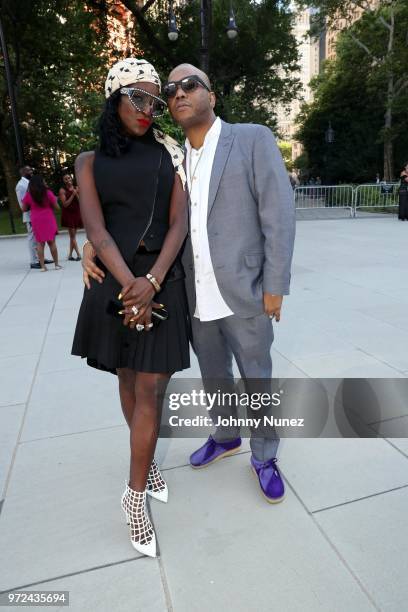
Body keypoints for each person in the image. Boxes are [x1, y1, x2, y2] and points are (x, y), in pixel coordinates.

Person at [82, 63, 296, 505]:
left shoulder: (251, 138)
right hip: (193, 295)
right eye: (173, 89)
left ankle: (265, 456)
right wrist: (90, 243)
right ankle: (225, 435)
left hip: (245, 290)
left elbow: (279, 213)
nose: (179, 93)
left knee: (257, 378)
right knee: (214, 376)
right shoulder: (171, 154)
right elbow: (144, 214)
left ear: (211, 96)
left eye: (190, 85)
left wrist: (275, 283)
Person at [71, 58, 190, 558]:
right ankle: (149, 465)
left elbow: (178, 224)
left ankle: (134, 496)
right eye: (136, 98)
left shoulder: (171, 152)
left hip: (161, 280)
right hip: (116, 284)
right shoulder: (88, 160)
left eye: (154, 101)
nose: (147, 109)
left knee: (151, 388)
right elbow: (96, 231)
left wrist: (153, 281)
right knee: (127, 381)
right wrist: (130, 286)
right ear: (113, 100)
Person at [15, 166, 53, 269]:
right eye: (29, 170)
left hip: (37, 214)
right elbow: (22, 203)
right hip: (30, 216)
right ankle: (34, 261)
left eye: (31, 169)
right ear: (23, 172)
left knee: (39, 239)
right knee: (33, 239)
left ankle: (41, 258)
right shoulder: (21, 185)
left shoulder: (29, 183)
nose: (32, 171)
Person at [21, 175, 62, 271]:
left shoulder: (29, 195)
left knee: (40, 243)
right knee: (52, 242)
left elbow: (24, 209)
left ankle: (43, 267)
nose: (45, 183)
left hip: (36, 219)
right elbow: (57, 207)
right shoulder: (48, 193)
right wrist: (54, 201)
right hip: (48, 218)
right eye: (44, 181)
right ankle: (56, 265)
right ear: (40, 183)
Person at [59, 173, 83, 260]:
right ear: (64, 181)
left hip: (76, 213)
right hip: (68, 214)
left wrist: (75, 192)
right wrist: (72, 194)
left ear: (71, 178)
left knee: (72, 236)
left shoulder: (76, 188)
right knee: (72, 236)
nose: (68, 180)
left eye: (69, 178)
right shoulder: (62, 190)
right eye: (66, 179)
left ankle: (69, 255)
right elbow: (65, 204)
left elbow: (81, 202)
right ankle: (78, 254)